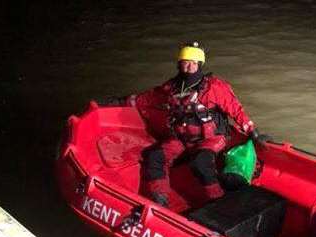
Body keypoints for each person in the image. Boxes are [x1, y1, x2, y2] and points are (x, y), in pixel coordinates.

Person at [101, 41, 264, 211]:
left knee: (200, 162)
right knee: (155, 156)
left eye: (193, 63)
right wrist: (121, 101)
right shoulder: (171, 88)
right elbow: (148, 98)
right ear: (179, 64)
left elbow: (236, 109)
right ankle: (160, 198)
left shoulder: (214, 87)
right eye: (185, 62)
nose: (189, 66)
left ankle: (218, 201)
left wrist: (252, 131)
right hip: (182, 138)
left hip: (211, 138)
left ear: (199, 65)